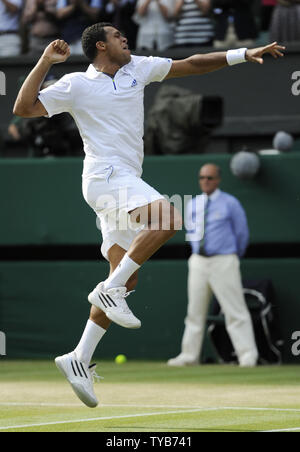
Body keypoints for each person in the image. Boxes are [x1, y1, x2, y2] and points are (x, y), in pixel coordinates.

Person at [13, 23, 284, 407]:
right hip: (105, 178)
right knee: (169, 219)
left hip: (122, 180)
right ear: (102, 46)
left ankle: (79, 357)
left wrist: (240, 54)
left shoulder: (137, 67)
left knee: (128, 276)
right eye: (119, 35)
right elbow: (23, 108)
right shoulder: (76, 84)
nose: (127, 38)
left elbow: (191, 64)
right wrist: (44, 60)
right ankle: (109, 292)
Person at [168, 164, 259, 368]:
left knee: (235, 310)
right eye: (202, 177)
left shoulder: (231, 203)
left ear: (218, 180)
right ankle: (189, 355)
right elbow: (190, 232)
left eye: (209, 177)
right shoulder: (193, 204)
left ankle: (247, 356)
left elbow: (242, 233)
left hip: (224, 260)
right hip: (198, 261)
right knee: (194, 311)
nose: (205, 181)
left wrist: (233, 255)